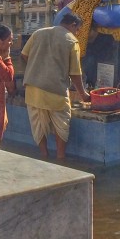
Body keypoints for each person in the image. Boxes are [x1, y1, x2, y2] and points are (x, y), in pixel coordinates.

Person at [21, 13, 91, 160]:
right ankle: (60, 158)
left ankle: (44, 155)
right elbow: (75, 73)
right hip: (56, 91)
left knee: (38, 125)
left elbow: (24, 55)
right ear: (73, 25)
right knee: (62, 125)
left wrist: (37, 66)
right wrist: (83, 94)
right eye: (77, 29)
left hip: (33, 89)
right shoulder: (72, 41)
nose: (77, 32)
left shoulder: (38, 33)